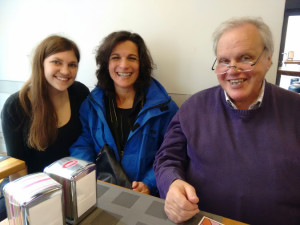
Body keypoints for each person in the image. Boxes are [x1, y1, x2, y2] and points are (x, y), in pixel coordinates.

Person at [154, 17, 300, 225]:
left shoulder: (295, 110)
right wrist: (172, 184)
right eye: (224, 60)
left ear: (268, 59)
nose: (232, 69)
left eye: (245, 58)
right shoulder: (193, 107)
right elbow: (166, 158)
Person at [70, 31, 178, 195]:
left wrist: (148, 184)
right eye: (115, 57)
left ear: (141, 64)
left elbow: (171, 155)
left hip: (146, 196)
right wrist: (89, 176)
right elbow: (83, 143)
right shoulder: (91, 105)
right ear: (106, 63)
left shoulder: (165, 108)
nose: (124, 65)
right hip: (102, 192)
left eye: (132, 58)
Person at [1, 35, 90, 174]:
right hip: (32, 187)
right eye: (56, 62)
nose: (65, 71)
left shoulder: (80, 93)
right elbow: (17, 168)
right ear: (40, 64)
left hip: (72, 183)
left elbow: (88, 142)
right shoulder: (15, 106)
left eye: (72, 65)